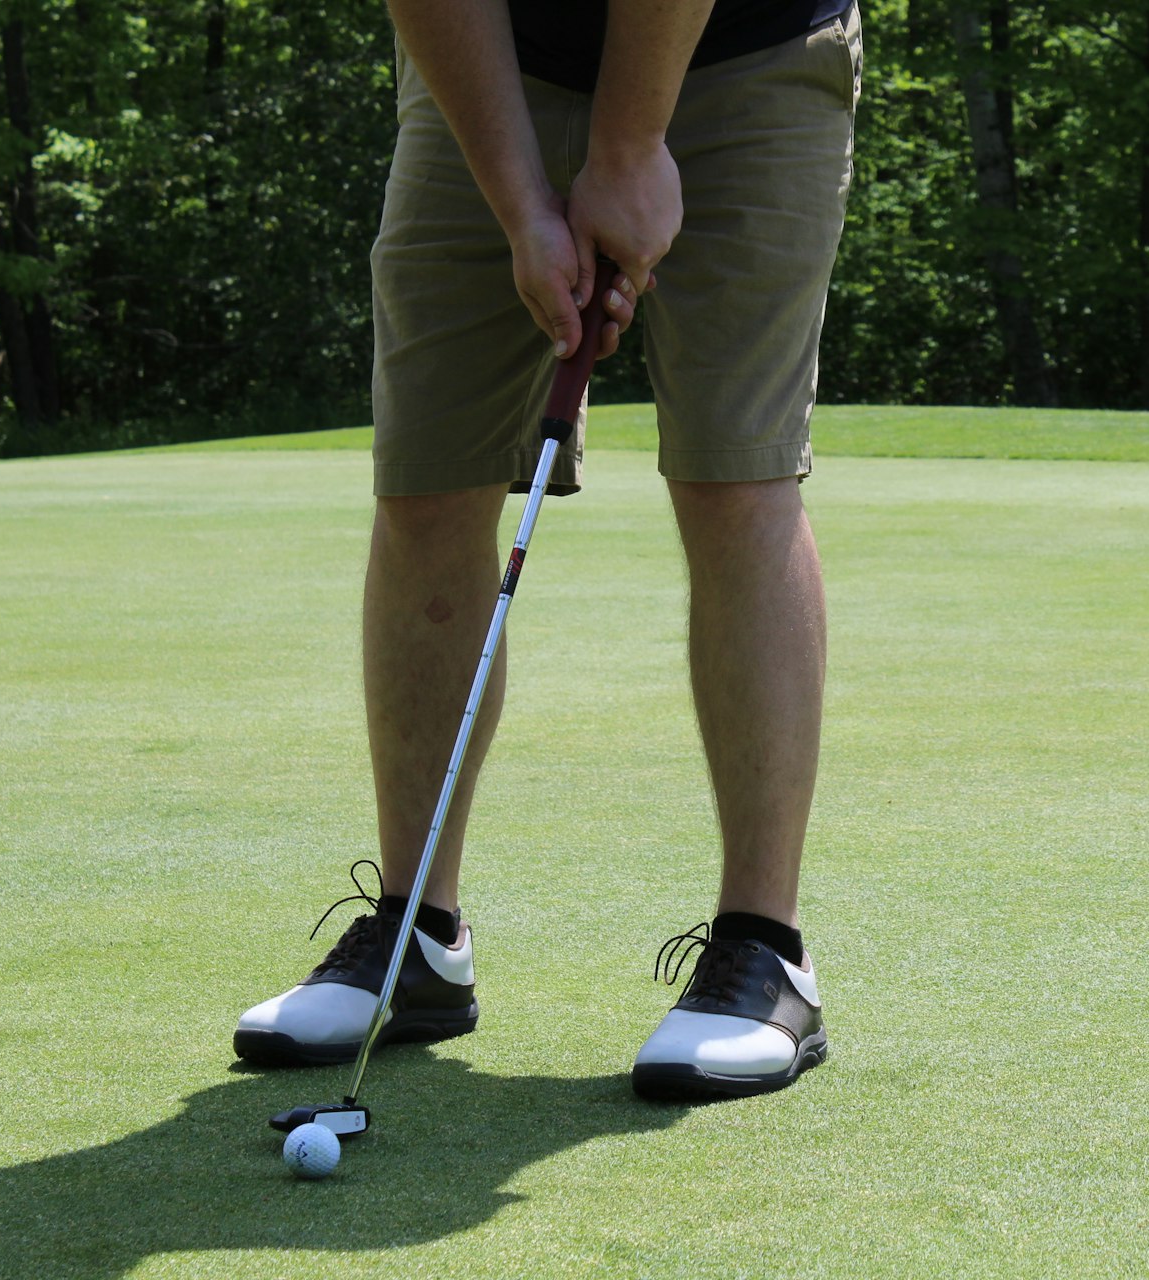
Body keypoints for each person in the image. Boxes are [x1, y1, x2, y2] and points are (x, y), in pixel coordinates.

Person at [233, 0, 861, 1099]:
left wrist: (625, 151)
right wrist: (526, 207)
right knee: (428, 477)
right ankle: (417, 934)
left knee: (735, 475)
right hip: (497, 64)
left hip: (750, 45)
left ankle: (767, 949)